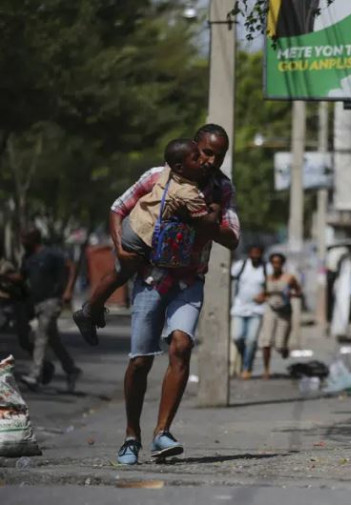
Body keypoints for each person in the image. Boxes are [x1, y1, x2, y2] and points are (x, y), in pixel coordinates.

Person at [108, 124, 239, 465]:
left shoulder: (221, 189)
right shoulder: (157, 176)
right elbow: (117, 208)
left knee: (181, 346)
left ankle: (162, 433)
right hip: (152, 278)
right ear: (193, 149)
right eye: (206, 153)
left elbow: (232, 236)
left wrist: (202, 221)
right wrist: (121, 249)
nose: (211, 160)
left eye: (218, 156)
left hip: (189, 279)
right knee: (140, 361)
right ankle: (131, 435)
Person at [72, 139, 222, 345]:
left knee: (119, 274)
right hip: (140, 238)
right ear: (180, 166)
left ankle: (92, 310)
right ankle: (89, 312)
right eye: (199, 157)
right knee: (123, 271)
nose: (205, 162)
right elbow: (208, 222)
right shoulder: (188, 192)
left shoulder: (167, 174)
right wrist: (216, 205)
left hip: (133, 225)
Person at [14, 229, 82, 392]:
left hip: (52, 301)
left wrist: (68, 290)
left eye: (24, 239)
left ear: (34, 239)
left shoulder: (51, 254)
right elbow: (21, 278)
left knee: (41, 335)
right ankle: (71, 369)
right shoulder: (28, 257)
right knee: (53, 340)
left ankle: (34, 375)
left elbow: (71, 267)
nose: (22, 242)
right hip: (36, 302)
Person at [256, 253, 301, 379]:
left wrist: (294, 294)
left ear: (282, 264)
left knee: (279, 345)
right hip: (270, 309)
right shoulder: (268, 278)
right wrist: (260, 298)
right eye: (273, 263)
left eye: (278, 263)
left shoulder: (289, 278)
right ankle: (266, 369)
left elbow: (298, 291)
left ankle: (284, 348)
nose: (276, 265)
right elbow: (264, 293)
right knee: (266, 340)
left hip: (284, 312)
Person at [230, 244, 267, 379]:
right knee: (237, 337)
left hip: (256, 310)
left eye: (258, 253)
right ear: (250, 253)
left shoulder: (265, 268)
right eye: (253, 253)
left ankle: (247, 367)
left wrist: (265, 295)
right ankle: (245, 354)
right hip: (239, 308)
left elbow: (272, 285)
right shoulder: (241, 265)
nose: (256, 256)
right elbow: (229, 278)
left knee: (251, 340)